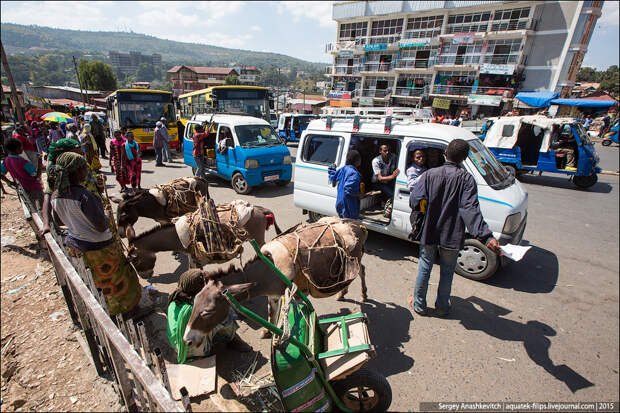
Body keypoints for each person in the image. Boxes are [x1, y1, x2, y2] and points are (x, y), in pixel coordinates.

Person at [409, 139, 501, 317]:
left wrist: (426, 205)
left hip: (429, 231)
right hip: (452, 234)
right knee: (447, 271)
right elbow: (470, 210)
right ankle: (442, 307)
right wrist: (486, 237)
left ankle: (419, 305)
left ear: (445, 154)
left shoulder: (429, 175)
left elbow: (414, 200)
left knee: (425, 267)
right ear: (464, 158)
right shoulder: (466, 179)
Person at [49, 152, 141, 317]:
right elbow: (101, 226)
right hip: (100, 248)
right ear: (76, 172)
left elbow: (58, 221)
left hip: (77, 243)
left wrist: (78, 222)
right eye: (84, 167)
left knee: (98, 283)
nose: (87, 169)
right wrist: (105, 214)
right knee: (120, 279)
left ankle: (107, 310)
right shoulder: (84, 196)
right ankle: (126, 310)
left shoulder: (56, 195)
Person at [1, 138, 44, 210]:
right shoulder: (24, 162)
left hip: (21, 188)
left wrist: (10, 182)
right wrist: (40, 163)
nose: (22, 148)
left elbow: (1, 174)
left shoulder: (6, 160)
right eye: (21, 147)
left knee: (31, 207)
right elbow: (36, 176)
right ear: (17, 149)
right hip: (34, 187)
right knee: (42, 206)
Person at [328, 150, 363, 219]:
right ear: (356, 160)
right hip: (348, 206)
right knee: (349, 226)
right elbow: (349, 191)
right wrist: (361, 194)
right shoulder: (354, 174)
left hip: (340, 203)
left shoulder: (343, 169)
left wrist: (332, 168)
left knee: (342, 224)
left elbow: (332, 177)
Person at [371, 144, 399, 217]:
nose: (387, 152)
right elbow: (380, 178)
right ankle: (386, 211)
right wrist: (392, 176)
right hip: (378, 183)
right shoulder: (376, 161)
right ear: (380, 151)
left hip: (389, 181)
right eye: (385, 151)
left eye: (389, 150)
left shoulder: (394, 157)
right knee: (392, 195)